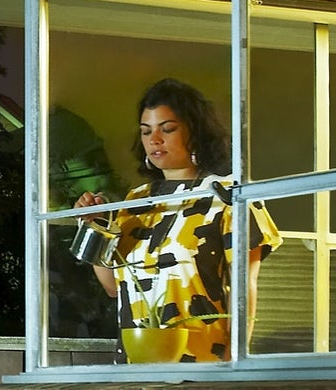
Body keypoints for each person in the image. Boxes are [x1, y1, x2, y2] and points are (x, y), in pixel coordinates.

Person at [75, 79, 281, 361]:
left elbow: (245, 287)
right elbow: (114, 287)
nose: (154, 140)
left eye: (167, 129)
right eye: (146, 132)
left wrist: (236, 360)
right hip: (137, 359)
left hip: (203, 359)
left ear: (195, 133)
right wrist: (94, 227)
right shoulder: (136, 201)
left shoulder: (227, 194)